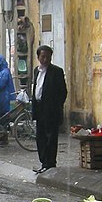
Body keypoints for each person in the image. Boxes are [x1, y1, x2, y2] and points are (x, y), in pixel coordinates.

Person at [31, 45, 67, 174]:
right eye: (43, 56)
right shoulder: (37, 71)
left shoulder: (56, 71)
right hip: (39, 108)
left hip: (51, 110)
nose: (45, 59)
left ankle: (50, 162)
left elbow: (63, 92)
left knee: (51, 137)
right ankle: (43, 161)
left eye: (48, 57)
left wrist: (56, 106)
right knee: (40, 136)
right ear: (38, 57)